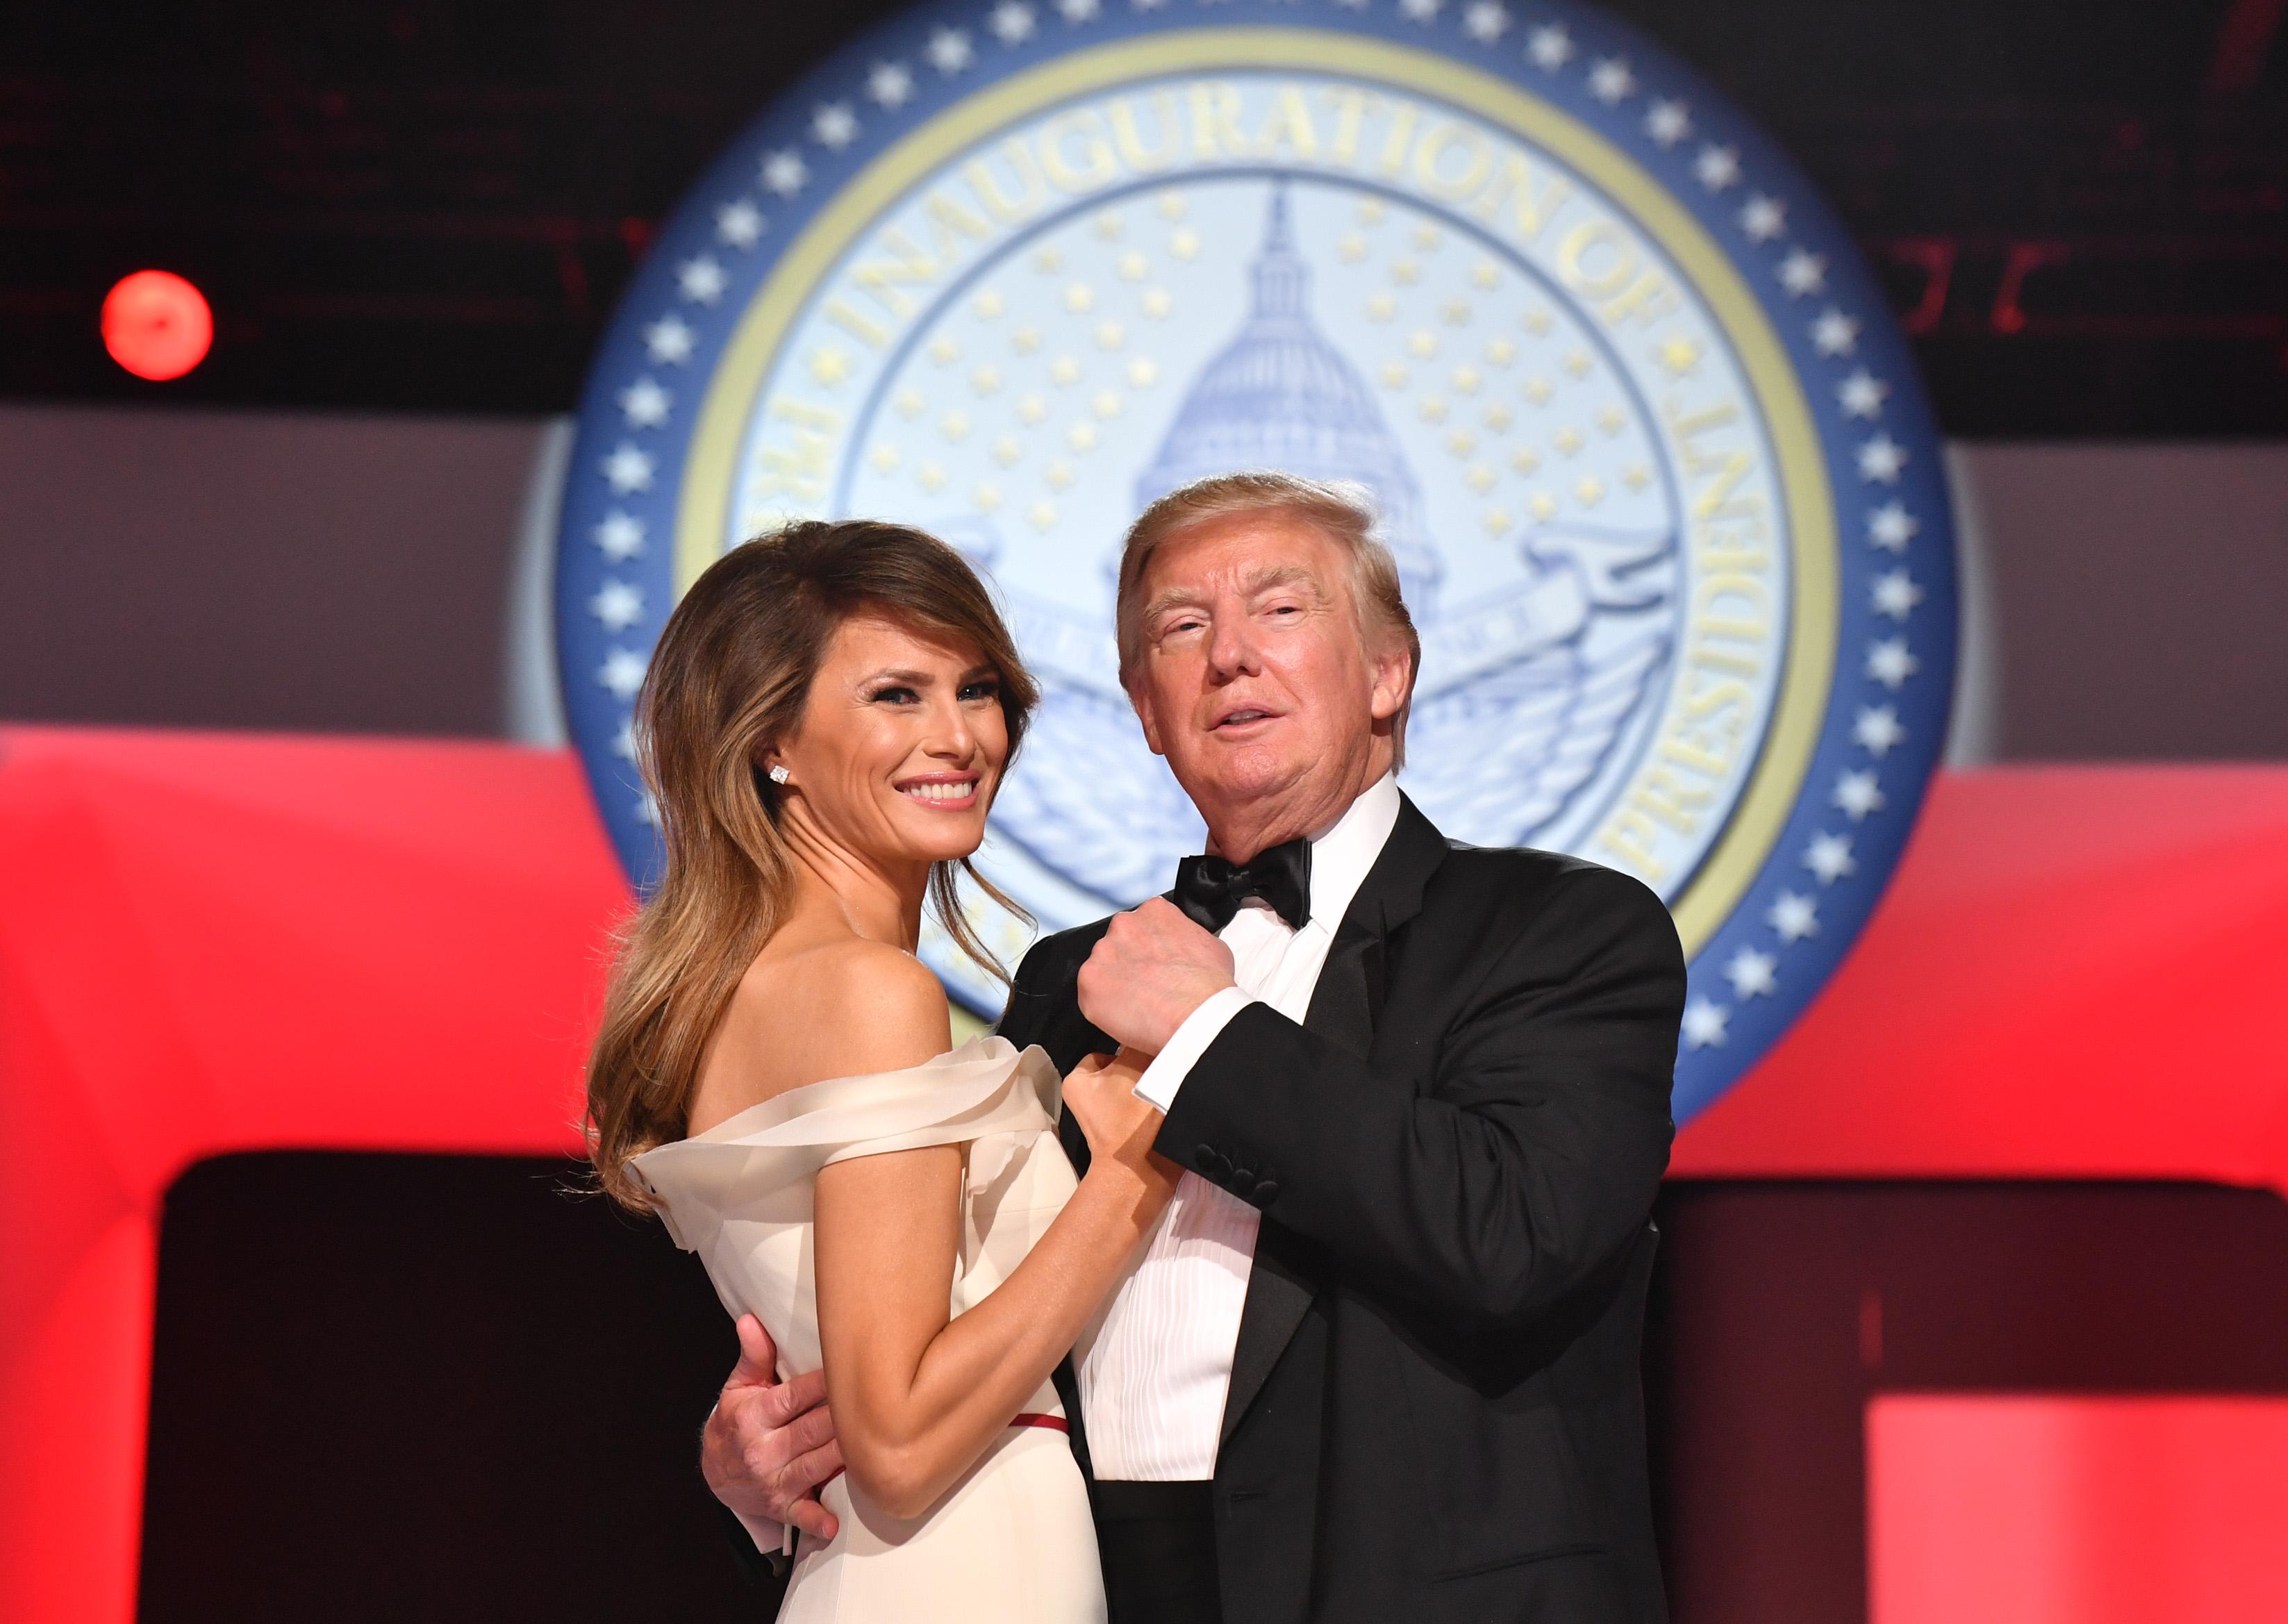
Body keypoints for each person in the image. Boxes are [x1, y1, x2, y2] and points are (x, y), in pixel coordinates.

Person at [706, 471, 1689, 1623]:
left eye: (1281, 610)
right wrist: (769, 1463)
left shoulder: (1557, 928)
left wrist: (1206, 1035)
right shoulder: (1070, 983)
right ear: (1145, 708)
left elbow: (1510, 1234)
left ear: (1389, 671)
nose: (1230, 656)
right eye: (1183, 627)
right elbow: (956, 1337)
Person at [586, 519, 1179, 1622]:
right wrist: (1132, 1175)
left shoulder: (768, 983)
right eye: (896, 696)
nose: (958, 737)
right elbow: (899, 1441)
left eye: (978, 689)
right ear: (771, 739)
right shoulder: (870, 995)